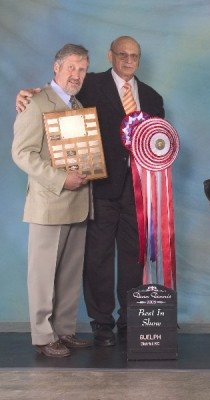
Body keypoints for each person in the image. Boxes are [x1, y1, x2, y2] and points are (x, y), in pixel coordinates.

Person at [16, 36, 165, 347]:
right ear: (110, 55)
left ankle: (127, 322)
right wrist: (27, 93)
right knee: (93, 261)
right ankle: (99, 324)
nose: (128, 60)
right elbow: (52, 94)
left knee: (125, 260)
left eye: (134, 55)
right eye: (122, 54)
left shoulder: (152, 97)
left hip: (136, 192)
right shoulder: (88, 86)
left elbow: (159, 146)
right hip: (96, 190)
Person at [12, 43, 93, 357]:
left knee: (70, 275)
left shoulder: (78, 104)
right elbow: (22, 154)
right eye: (71, 67)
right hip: (49, 202)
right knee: (43, 275)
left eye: (82, 68)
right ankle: (44, 337)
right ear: (56, 68)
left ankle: (64, 330)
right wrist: (61, 179)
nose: (76, 74)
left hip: (79, 202)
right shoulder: (35, 103)